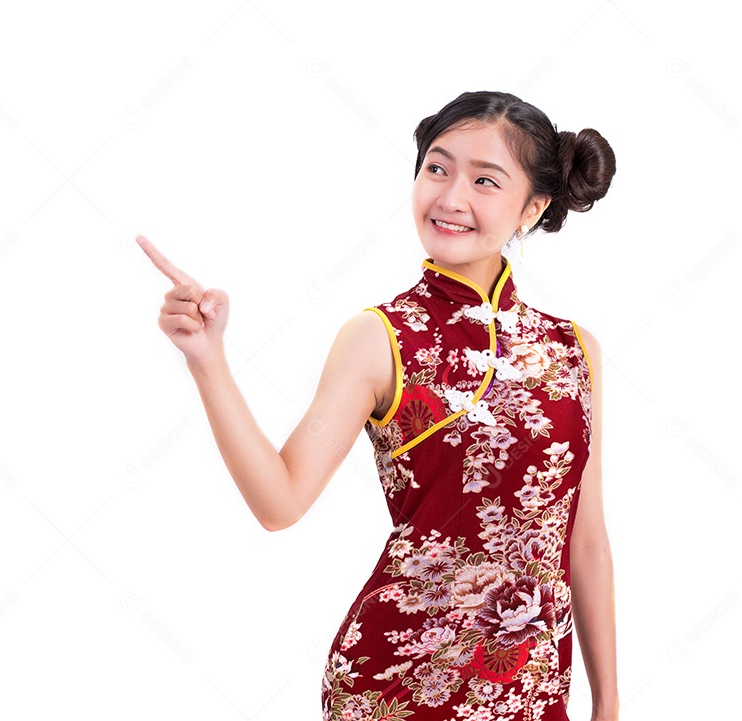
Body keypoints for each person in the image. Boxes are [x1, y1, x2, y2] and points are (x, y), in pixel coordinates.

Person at [137, 90, 618, 721]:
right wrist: (208, 358)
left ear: (532, 207)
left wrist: (608, 703)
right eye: (436, 168)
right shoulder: (380, 337)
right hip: (397, 687)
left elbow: (584, 539)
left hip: (530, 691)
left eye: (484, 180)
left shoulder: (573, 349)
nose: (450, 197)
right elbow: (279, 502)